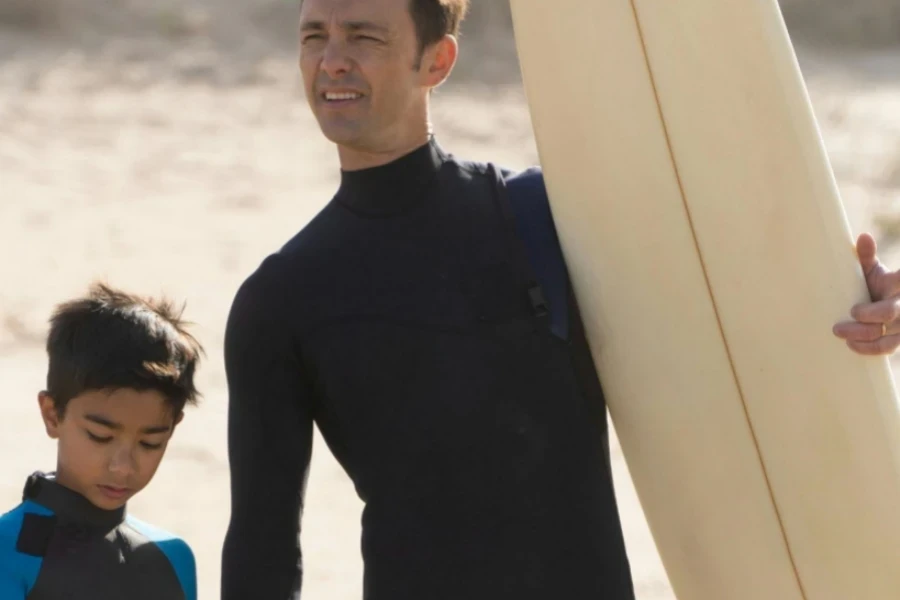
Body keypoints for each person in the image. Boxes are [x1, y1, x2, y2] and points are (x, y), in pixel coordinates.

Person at [219, 0, 900, 598]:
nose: (332, 61)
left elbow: (726, 315)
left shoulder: (551, 219)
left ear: (437, 60)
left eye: (363, 37)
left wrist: (854, 303)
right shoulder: (281, 301)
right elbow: (262, 550)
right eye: (314, 37)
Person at [0, 282, 203, 600]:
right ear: (52, 415)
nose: (123, 467)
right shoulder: (8, 553)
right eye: (100, 437)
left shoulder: (173, 558)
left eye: (150, 442)